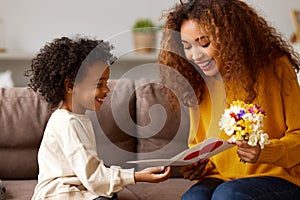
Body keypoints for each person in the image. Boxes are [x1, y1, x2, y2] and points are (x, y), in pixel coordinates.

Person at [158, 0, 300, 199]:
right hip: (221, 178)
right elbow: (199, 146)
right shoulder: (197, 81)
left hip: (279, 177)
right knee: (194, 198)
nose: (195, 55)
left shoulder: (276, 67)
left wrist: (263, 152)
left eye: (204, 43)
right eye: (186, 47)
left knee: (229, 195)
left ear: (229, 37)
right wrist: (198, 166)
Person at [25, 36, 171, 200]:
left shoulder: (78, 118)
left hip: (78, 189)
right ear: (70, 86)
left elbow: (91, 173)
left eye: (106, 83)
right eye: (99, 84)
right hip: (59, 194)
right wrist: (137, 176)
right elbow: (93, 175)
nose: (107, 90)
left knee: (110, 193)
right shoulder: (66, 122)